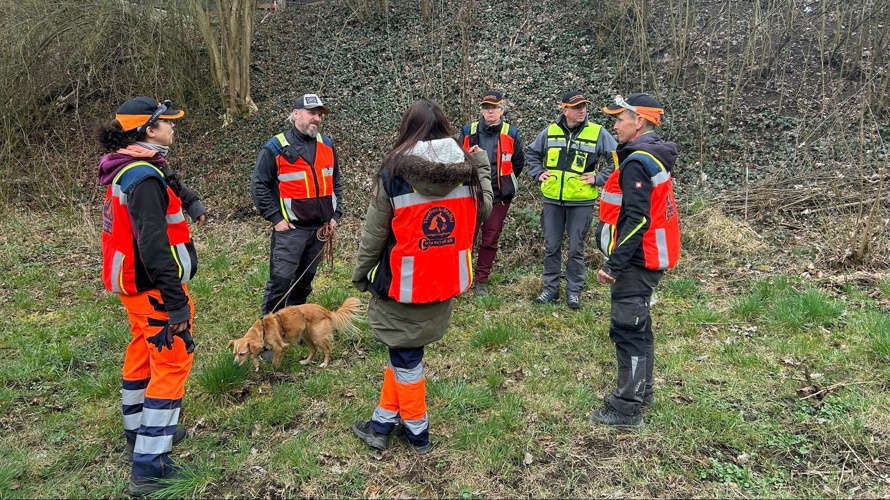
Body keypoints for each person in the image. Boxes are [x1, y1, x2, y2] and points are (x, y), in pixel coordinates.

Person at [351, 99, 492, 454]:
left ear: (407, 130)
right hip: (445, 279)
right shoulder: (466, 169)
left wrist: (360, 274)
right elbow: (484, 210)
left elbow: (374, 232)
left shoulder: (395, 174)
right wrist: (483, 167)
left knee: (406, 358)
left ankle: (418, 433)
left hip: (403, 284)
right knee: (403, 353)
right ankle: (381, 423)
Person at [97, 96, 206, 496]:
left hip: (134, 288)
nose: (173, 127)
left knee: (143, 350)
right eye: (167, 122)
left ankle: (136, 434)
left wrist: (191, 200)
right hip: (153, 288)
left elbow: (168, 178)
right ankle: (151, 466)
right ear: (148, 130)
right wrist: (176, 301)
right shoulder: (143, 179)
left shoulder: (133, 166)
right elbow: (155, 248)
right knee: (172, 361)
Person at [591, 93, 680, 429]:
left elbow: (637, 219)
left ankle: (627, 409)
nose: (614, 124)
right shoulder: (650, 156)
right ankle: (643, 391)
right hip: (650, 257)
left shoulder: (638, 161)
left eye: (620, 118)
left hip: (637, 261)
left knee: (628, 328)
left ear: (638, 121)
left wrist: (614, 264)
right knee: (640, 327)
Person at [251, 93, 343, 314]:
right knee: (280, 284)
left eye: (320, 115)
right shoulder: (276, 147)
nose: (317, 119)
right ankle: (268, 336)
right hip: (291, 231)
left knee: (303, 283)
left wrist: (335, 214)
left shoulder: (327, 145)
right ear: (296, 115)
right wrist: (275, 218)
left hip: (320, 229)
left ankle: (294, 327)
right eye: (312, 113)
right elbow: (259, 185)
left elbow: (336, 182)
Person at [525, 91, 617, 310]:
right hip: (552, 201)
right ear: (564, 109)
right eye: (576, 107)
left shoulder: (598, 132)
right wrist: (538, 173)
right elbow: (532, 153)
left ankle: (574, 292)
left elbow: (617, 158)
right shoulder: (550, 131)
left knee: (576, 248)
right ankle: (550, 289)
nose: (582, 110)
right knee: (551, 246)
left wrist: (599, 178)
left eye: (584, 106)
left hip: (582, 202)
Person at [459, 90, 525, 296]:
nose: (490, 112)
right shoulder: (468, 131)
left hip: (499, 198)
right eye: (487, 108)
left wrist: (506, 184)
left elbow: (518, 163)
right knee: (465, 239)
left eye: (494, 108)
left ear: (501, 110)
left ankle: (481, 281)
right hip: (470, 195)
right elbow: (457, 158)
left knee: (490, 240)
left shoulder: (511, 133)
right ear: (482, 111)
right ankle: (462, 278)